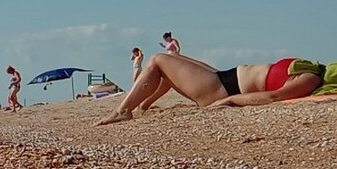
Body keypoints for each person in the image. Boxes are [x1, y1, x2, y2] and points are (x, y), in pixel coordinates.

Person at [95, 54, 325, 125]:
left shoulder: (310, 78)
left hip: (221, 89)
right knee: (170, 61)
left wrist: (231, 101)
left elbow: (274, 96)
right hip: (223, 78)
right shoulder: (309, 69)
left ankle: (123, 110)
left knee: (158, 60)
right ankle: (144, 103)